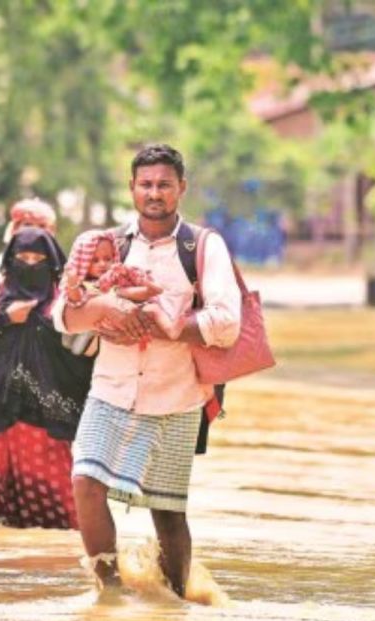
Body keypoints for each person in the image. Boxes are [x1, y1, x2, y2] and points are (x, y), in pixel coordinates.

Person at [55, 144, 241, 598]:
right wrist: (108, 311)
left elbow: (228, 323)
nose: (154, 193)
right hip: (110, 391)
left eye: (163, 184)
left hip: (177, 396)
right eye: (145, 184)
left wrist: (168, 327)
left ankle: (177, 605)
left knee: (168, 513)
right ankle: (110, 592)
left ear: (181, 188)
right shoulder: (105, 245)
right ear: (132, 189)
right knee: (84, 481)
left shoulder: (202, 246)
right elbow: (63, 315)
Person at [0, 226, 94, 529]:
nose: (30, 265)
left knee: (52, 497)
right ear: (10, 258)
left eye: (38, 258)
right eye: (23, 257)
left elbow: (85, 349)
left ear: (52, 261)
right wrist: (4, 319)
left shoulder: (66, 298)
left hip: (45, 407)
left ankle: (48, 564)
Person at [0, 198, 58, 286]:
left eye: (42, 226)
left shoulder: (60, 268)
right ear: (14, 229)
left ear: (52, 231)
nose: (35, 231)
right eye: (28, 225)